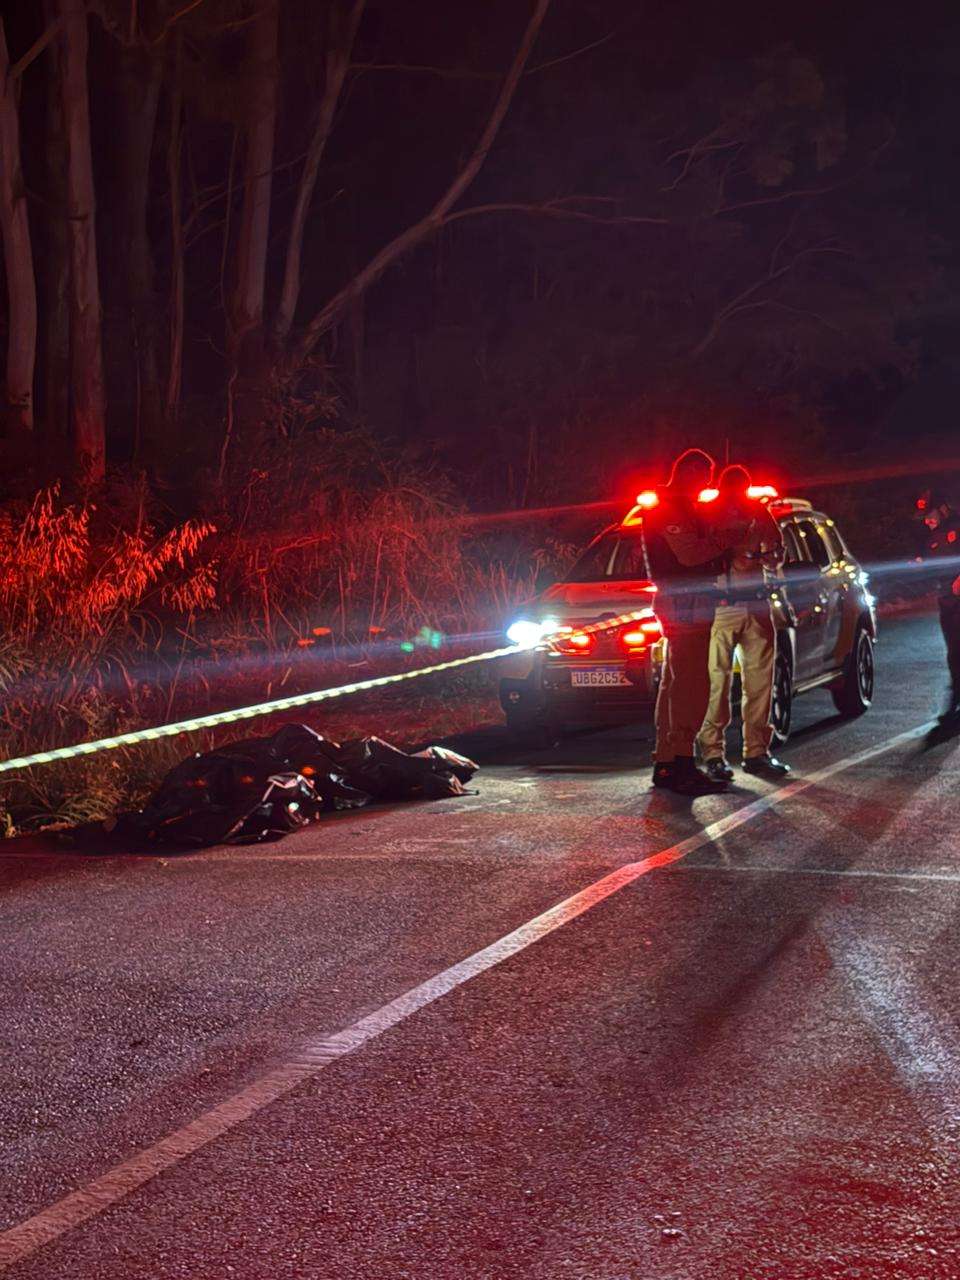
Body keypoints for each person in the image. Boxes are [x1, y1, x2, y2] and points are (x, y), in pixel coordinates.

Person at [643, 448, 750, 795]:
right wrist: (725, 538)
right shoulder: (670, 509)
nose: (706, 486)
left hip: (684, 602)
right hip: (685, 604)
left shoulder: (678, 507)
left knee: (675, 684)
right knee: (690, 685)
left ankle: (668, 762)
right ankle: (682, 763)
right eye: (704, 478)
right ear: (689, 471)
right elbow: (689, 554)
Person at [698, 465, 790, 780]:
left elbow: (777, 554)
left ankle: (755, 752)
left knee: (758, 684)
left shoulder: (758, 512)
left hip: (754, 604)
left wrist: (766, 556)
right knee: (718, 683)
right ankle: (715, 753)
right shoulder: (708, 514)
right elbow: (699, 555)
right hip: (722, 606)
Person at [915, 488, 960, 724]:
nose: (927, 521)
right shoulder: (932, 538)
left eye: (930, 515)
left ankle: (954, 699)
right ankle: (956, 696)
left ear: (942, 510)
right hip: (946, 600)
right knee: (953, 650)